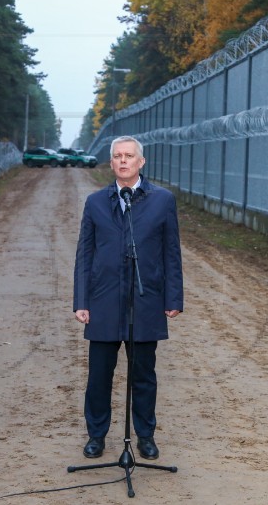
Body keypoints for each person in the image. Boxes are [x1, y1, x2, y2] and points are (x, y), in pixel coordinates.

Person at [73, 135, 183, 460]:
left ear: (141, 162)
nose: (123, 161)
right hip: (104, 301)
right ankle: (96, 435)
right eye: (118, 156)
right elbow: (84, 255)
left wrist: (173, 297)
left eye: (129, 156)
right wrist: (81, 300)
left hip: (145, 300)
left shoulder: (162, 200)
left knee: (144, 375)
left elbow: (171, 254)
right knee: (99, 376)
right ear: (111, 163)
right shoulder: (95, 203)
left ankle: (145, 436)